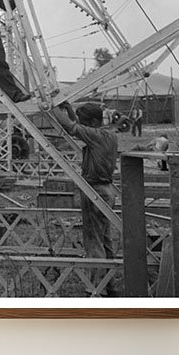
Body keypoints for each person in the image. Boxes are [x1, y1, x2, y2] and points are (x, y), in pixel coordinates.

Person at [51, 100, 119, 263]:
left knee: (93, 240)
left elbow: (73, 128)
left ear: (94, 122)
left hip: (95, 191)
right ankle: (109, 282)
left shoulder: (97, 136)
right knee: (104, 236)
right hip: (106, 190)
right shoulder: (108, 134)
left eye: (85, 123)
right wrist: (68, 109)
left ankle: (97, 286)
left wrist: (52, 109)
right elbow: (79, 127)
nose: (83, 126)